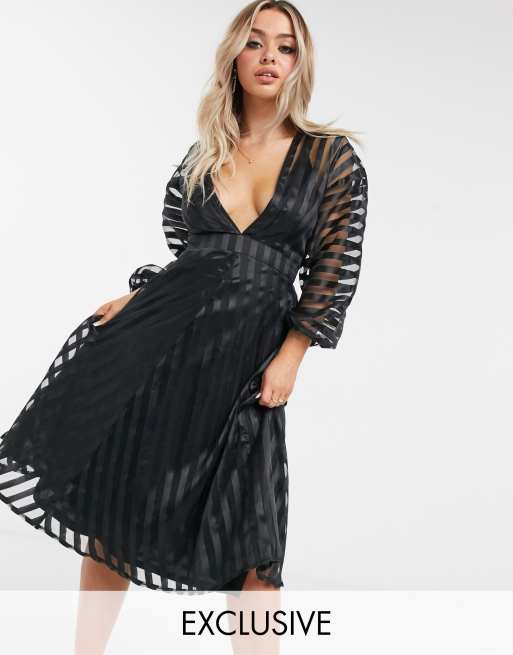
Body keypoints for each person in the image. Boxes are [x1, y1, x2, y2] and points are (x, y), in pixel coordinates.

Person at [0, 0, 368, 651]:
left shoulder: (328, 158)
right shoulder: (204, 157)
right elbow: (194, 260)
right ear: (234, 56)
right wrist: (139, 299)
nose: (269, 56)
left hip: (249, 359)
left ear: (299, 63)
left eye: (285, 46)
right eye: (255, 42)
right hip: (164, 349)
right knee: (113, 508)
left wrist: (292, 353)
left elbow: (332, 267)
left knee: (253, 541)